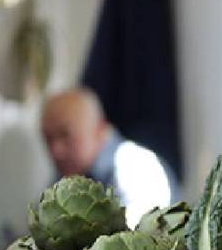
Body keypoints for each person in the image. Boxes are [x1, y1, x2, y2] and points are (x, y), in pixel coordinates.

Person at [40, 87, 176, 227]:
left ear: (99, 128)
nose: (56, 151)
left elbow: (137, 241)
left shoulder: (136, 168)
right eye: (48, 138)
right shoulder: (64, 177)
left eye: (65, 135)